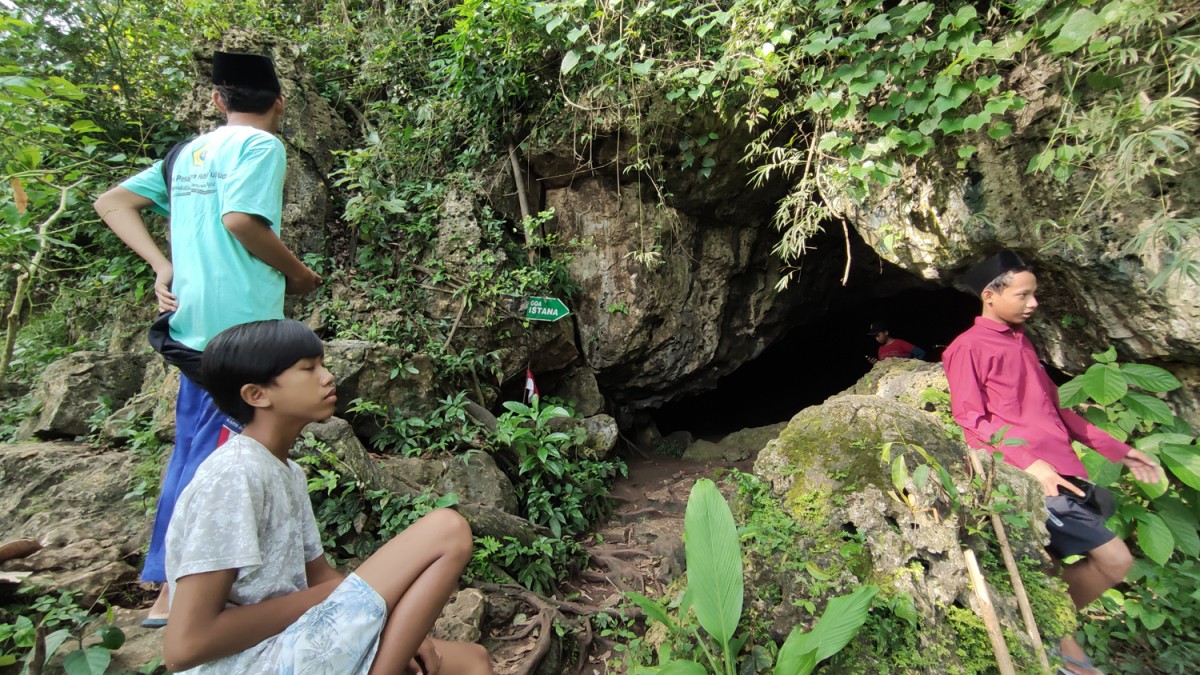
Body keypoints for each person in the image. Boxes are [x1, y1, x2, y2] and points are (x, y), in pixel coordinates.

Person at [93, 50, 322, 626]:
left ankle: (171, 580)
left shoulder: (186, 153)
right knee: (222, 453)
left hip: (193, 326)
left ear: (217, 100)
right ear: (279, 103)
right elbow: (241, 221)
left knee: (198, 446)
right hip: (242, 325)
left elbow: (112, 202)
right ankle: (180, 588)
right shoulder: (262, 146)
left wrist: (159, 265)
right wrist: (299, 275)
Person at [164, 319, 492, 674]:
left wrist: (399, 627)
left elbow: (319, 575)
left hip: (288, 641)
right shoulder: (233, 475)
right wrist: (338, 600)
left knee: (472, 660)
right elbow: (186, 646)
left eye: (322, 364)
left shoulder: (287, 471)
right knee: (447, 529)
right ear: (257, 394)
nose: (327, 376)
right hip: (245, 662)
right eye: (308, 369)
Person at [942, 251, 1163, 675]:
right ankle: (1051, 632)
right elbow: (970, 419)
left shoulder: (1021, 342)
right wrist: (1030, 465)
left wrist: (1120, 450)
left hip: (1064, 471)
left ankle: (1059, 647)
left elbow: (1056, 410)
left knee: (1050, 568)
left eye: (1034, 294)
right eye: (1024, 295)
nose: (1033, 303)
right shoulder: (966, 348)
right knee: (1115, 560)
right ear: (991, 295)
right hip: (1032, 479)